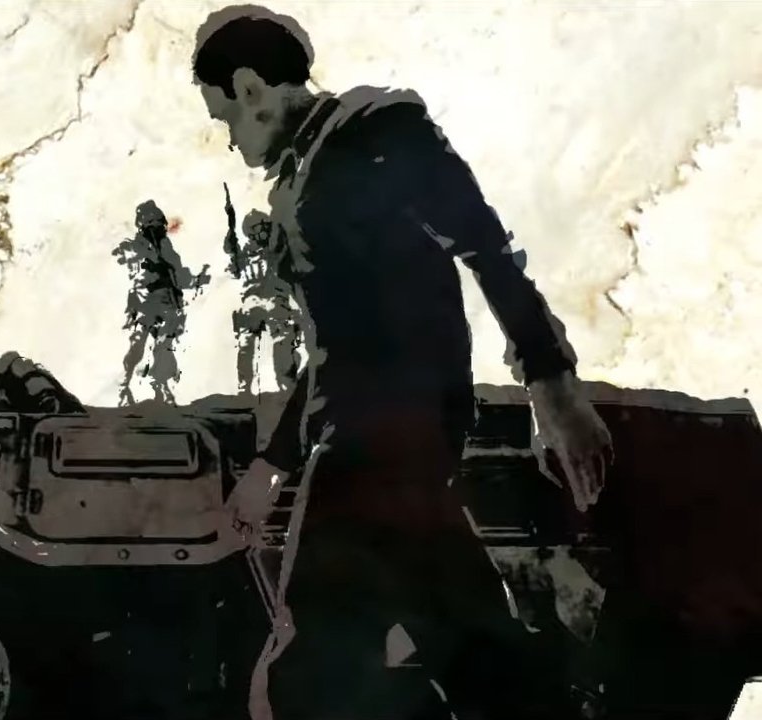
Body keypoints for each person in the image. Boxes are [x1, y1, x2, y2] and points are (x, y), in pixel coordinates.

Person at [191, 6, 615, 720]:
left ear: (251, 87)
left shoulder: (377, 130)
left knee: (301, 680)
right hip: (384, 442)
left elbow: (485, 246)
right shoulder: (303, 176)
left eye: (225, 118)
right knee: (480, 659)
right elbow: (336, 345)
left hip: (384, 442)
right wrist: (272, 464)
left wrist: (552, 384)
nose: (230, 141)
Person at [113, 200, 210, 405]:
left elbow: (178, 273)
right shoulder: (137, 246)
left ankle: (159, 387)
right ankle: (127, 386)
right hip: (147, 302)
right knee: (142, 345)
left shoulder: (162, 246)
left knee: (161, 346)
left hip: (162, 302)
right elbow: (139, 273)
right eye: (150, 221)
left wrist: (195, 280)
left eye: (155, 221)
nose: (154, 225)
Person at [223, 189, 302, 394]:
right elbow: (231, 248)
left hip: (267, 299)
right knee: (253, 342)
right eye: (260, 227)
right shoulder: (254, 253)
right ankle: (254, 387)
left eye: (265, 227)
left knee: (267, 341)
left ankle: (281, 384)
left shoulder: (268, 250)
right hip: (262, 300)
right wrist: (230, 223)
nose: (264, 231)